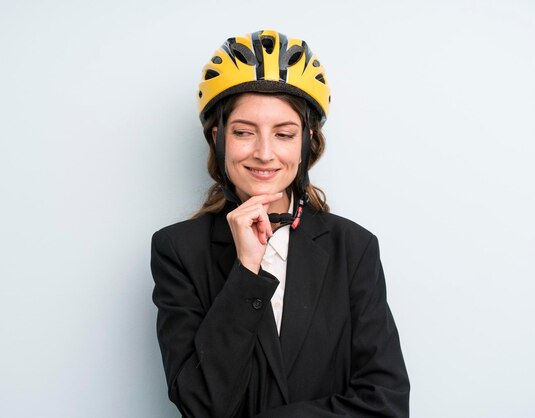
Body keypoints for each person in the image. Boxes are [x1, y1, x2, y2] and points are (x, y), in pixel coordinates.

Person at [151, 29, 410, 418]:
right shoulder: (178, 250)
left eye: (284, 134)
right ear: (219, 139)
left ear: (307, 141)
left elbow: (385, 403)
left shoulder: (352, 248)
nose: (264, 153)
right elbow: (200, 404)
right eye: (243, 132)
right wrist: (246, 271)